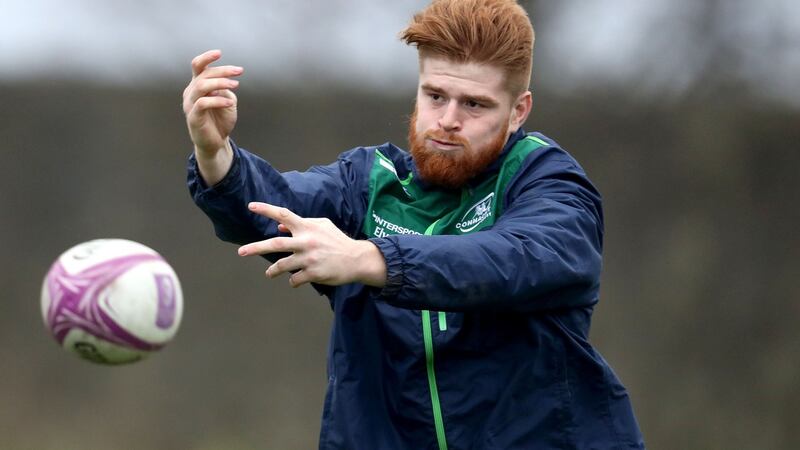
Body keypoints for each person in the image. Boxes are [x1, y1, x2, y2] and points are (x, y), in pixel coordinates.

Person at [183, 0, 644, 448]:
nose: (447, 120)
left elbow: (519, 257)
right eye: (435, 96)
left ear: (518, 111)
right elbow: (271, 206)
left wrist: (371, 258)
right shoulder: (368, 183)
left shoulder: (548, 181)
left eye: (475, 105)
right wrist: (215, 153)